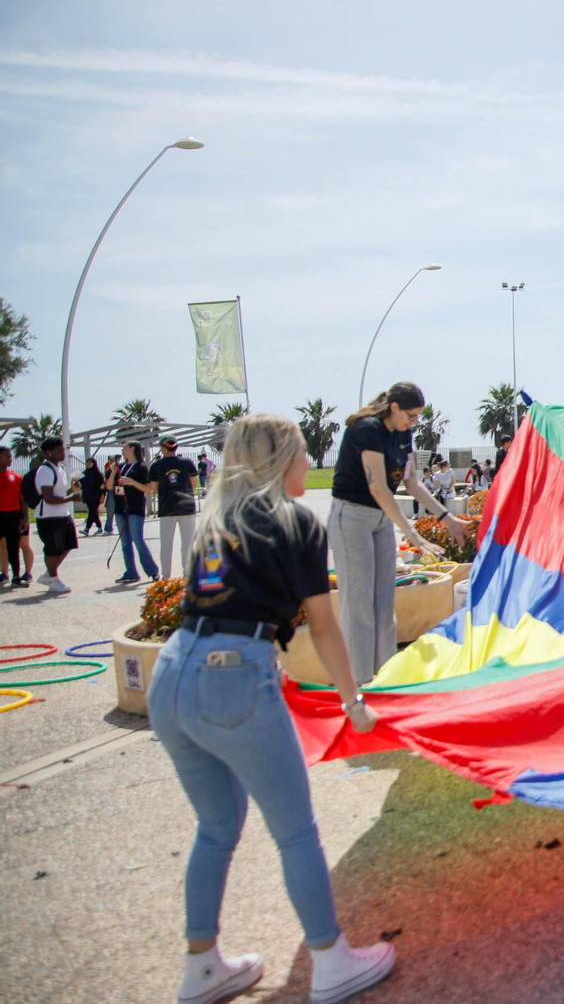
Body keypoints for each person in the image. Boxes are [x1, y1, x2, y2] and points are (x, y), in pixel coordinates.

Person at [148, 413, 396, 1004]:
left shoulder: (216, 523)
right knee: (296, 831)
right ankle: (333, 961)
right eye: (303, 454)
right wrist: (352, 701)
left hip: (172, 675)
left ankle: (202, 967)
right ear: (280, 460)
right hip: (232, 680)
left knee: (215, 828)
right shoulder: (295, 524)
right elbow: (326, 626)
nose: (310, 464)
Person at [330, 383, 469, 685]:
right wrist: (411, 534)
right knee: (359, 605)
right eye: (410, 415)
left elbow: (413, 484)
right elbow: (378, 486)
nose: (414, 422)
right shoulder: (367, 429)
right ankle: (358, 684)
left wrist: (448, 519)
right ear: (394, 408)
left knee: (384, 603)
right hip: (352, 516)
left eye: (418, 417)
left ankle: (386, 677)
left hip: (381, 518)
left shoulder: (404, 434)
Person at [29, 437, 81, 594]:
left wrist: (71, 491)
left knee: (68, 544)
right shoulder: (45, 470)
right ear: (49, 452)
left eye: (63, 450)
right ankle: (54, 579)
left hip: (62, 514)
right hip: (48, 517)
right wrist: (71, 498)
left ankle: (49, 574)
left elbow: (59, 494)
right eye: (59, 451)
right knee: (52, 549)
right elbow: (49, 498)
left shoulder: (60, 469)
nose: (63, 453)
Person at [151, 435, 201, 579]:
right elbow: (194, 484)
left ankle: (166, 576)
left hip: (167, 507)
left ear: (163, 448)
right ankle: (187, 575)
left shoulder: (156, 465)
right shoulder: (187, 462)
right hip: (187, 507)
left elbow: (154, 490)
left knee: (166, 544)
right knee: (187, 543)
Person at [113, 441, 160, 585]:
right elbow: (110, 485)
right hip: (120, 508)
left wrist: (132, 482)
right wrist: (112, 473)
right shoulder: (120, 467)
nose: (122, 449)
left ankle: (153, 571)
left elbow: (148, 489)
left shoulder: (142, 467)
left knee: (137, 539)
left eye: (124, 447)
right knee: (125, 543)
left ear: (132, 449)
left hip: (135, 508)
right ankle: (131, 572)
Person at [0, 445, 24, 587]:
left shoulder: (16, 477)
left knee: (13, 547)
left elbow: (22, 500)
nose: (10, 459)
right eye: (6, 456)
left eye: (10, 456)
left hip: (12, 516)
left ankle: (16, 576)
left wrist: (25, 518)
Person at [80, 454, 106, 536]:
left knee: (92, 511)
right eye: (87, 462)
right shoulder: (83, 474)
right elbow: (80, 485)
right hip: (87, 495)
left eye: (90, 462)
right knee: (93, 512)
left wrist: (102, 496)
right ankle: (99, 527)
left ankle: (87, 529)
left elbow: (102, 486)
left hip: (96, 496)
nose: (88, 463)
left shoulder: (98, 474)